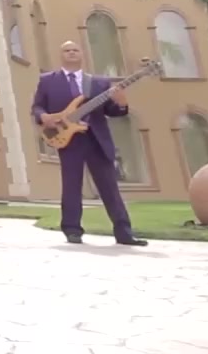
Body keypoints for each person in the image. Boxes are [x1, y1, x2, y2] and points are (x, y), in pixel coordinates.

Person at [31, 41, 145, 246]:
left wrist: (122, 103)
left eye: (75, 50)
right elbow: (37, 107)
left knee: (110, 188)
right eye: (67, 50)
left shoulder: (99, 83)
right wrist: (44, 117)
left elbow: (112, 111)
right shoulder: (48, 80)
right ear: (61, 55)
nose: (71, 53)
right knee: (71, 186)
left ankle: (124, 233)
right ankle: (72, 231)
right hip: (68, 139)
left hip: (97, 139)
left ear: (81, 54)